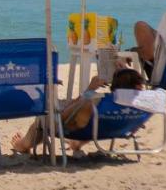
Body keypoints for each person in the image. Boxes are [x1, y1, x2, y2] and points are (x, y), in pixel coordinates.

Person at [9, 67, 146, 158]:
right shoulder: (144, 105)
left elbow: (62, 118)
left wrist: (89, 91)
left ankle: (22, 145)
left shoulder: (98, 102)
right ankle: (77, 144)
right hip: (117, 129)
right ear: (138, 87)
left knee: (43, 119)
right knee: (91, 120)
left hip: (78, 130)